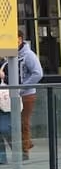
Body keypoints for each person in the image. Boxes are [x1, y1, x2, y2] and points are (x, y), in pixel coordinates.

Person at [0, 31, 43, 160]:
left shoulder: (28, 55)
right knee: (13, 123)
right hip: (11, 94)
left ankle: (24, 150)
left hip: (26, 94)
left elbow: (38, 73)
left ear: (19, 39)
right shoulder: (9, 55)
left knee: (23, 122)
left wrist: (22, 87)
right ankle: (23, 146)